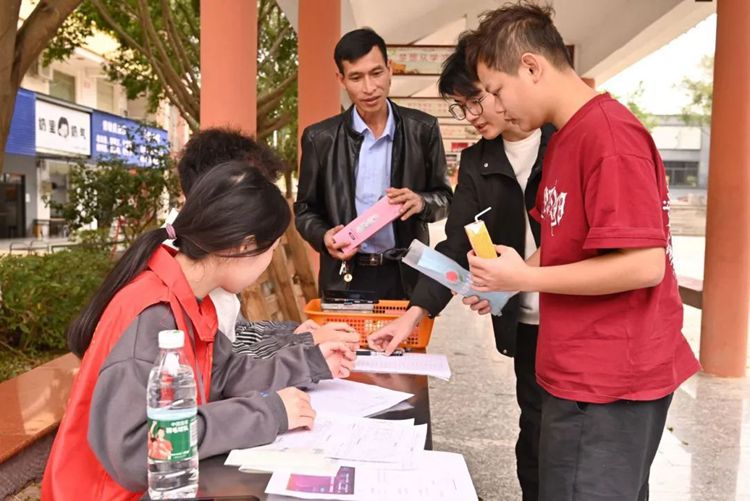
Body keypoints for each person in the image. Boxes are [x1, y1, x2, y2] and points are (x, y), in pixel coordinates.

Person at [465, 4, 700, 500]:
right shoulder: (566, 138)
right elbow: (559, 242)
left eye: (496, 90)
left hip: (609, 380)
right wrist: (506, 279)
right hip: (578, 370)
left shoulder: (609, 137)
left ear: (531, 66)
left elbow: (643, 264)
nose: (495, 108)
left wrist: (523, 280)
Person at [42, 161, 356, 500]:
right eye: (272, 248)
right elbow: (136, 451)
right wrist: (268, 413)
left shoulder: (189, 298)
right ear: (244, 246)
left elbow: (227, 374)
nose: (269, 262)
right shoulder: (151, 314)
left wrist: (310, 361)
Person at [367, 32, 553, 500]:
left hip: (574, 314)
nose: (471, 116)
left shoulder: (564, 141)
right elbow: (455, 245)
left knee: (572, 444)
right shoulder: (476, 161)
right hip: (526, 323)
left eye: (476, 101)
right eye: (461, 106)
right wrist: (412, 317)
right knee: (534, 436)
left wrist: (517, 278)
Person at [295, 28, 453, 299]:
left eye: (376, 73)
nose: (369, 88)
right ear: (341, 79)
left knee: (406, 330)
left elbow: (446, 199)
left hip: (406, 274)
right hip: (345, 275)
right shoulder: (319, 138)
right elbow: (305, 210)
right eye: (356, 77)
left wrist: (421, 202)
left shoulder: (422, 129)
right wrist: (323, 236)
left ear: (390, 69)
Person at [174, 128, 360, 356]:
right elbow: (223, 364)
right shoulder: (189, 271)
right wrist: (302, 342)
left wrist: (295, 334)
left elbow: (236, 333)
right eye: (254, 193)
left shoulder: (214, 254)